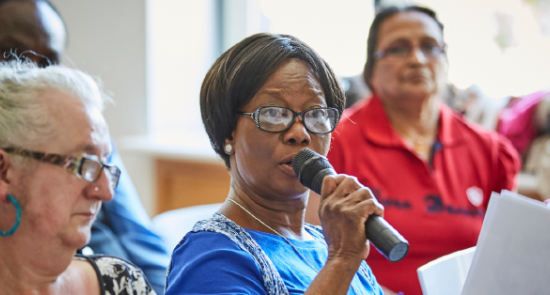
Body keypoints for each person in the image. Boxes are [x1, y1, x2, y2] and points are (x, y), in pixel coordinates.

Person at [321, 6, 521, 295]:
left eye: (430, 47)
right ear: (371, 69)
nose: (417, 59)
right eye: (399, 49)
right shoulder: (333, 143)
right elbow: (314, 252)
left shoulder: (492, 152)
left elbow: (505, 262)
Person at [165, 33, 384, 295]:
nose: (300, 133)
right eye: (273, 113)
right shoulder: (211, 258)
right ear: (227, 133)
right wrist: (342, 261)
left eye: (315, 113)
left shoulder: (329, 243)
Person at [0, 1, 170, 293]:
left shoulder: (89, 135)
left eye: (49, 62)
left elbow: (140, 238)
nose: (36, 75)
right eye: (14, 58)